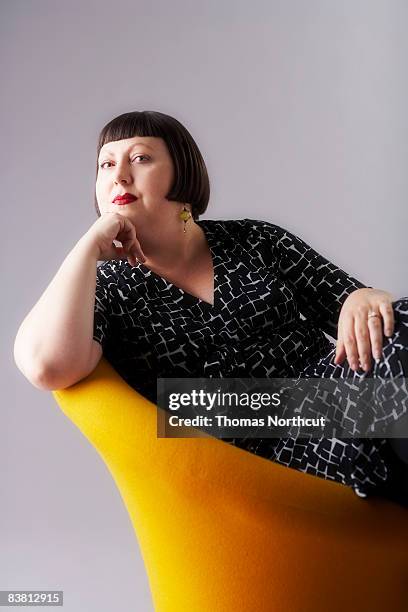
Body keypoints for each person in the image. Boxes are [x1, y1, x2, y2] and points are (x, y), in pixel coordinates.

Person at [14, 110, 408, 507]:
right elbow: (47, 365)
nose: (119, 175)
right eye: (106, 164)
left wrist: (360, 297)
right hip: (250, 448)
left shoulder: (255, 239)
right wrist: (87, 249)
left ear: (181, 172)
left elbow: (359, 305)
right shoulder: (108, 291)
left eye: (140, 158)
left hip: (344, 393)